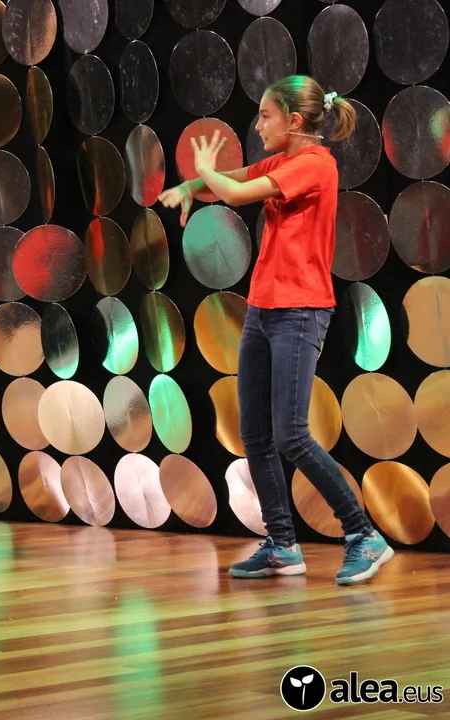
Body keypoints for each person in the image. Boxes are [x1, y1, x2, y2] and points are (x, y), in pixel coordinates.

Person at [159, 75, 394, 585]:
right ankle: (282, 545)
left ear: (294, 121)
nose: (259, 125)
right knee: (256, 434)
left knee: (292, 434)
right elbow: (233, 178)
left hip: (301, 311)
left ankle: (363, 535)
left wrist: (204, 172)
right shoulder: (282, 163)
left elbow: (237, 191)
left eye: (265, 116)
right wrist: (191, 187)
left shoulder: (315, 165)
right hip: (263, 310)